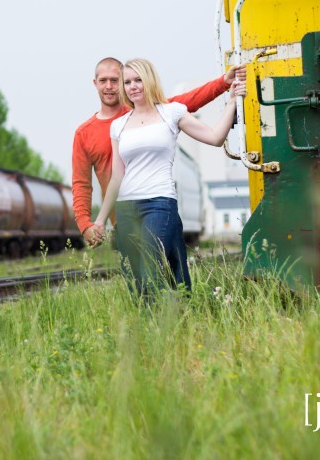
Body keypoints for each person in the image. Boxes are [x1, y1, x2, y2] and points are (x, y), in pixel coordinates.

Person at [91, 58, 246, 298]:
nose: (133, 86)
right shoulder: (118, 125)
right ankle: (159, 316)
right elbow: (116, 176)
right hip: (126, 208)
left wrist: (233, 101)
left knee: (150, 263)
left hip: (159, 202)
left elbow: (215, 137)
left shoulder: (171, 112)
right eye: (127, 82)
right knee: (135, 277)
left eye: (138, 80)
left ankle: (165, 311)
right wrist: (101, 220)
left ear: (149, 80)